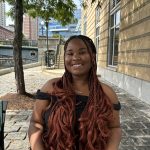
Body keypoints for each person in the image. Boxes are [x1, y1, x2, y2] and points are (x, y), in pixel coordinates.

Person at [28, 35, 122, 150]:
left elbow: (115, 128)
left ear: (92, 56)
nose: (75, 57)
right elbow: (36, 123)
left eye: (82, 52)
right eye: (70, 53)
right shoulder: (50, 88)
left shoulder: (107, 93)